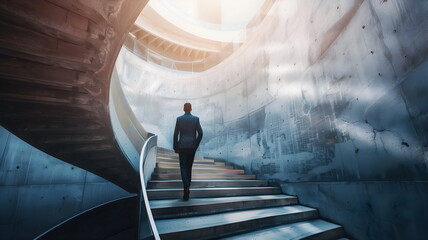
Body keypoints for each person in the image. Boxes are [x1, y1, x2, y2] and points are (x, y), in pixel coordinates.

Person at [173, 103, 203, 201]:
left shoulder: (179, 119)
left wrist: (175, 147)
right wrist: (195, 144)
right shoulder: (196, 119)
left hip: (182, 146)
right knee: (189, 167)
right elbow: (201, 133)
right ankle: (188, 187)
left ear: (183, 109)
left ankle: (185, 186)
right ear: (191, 109)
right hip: (191, 147)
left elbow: (176, 134)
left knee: (183, 167)